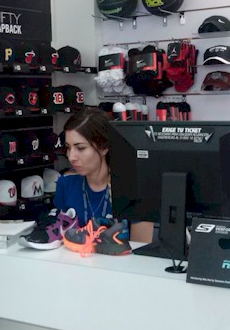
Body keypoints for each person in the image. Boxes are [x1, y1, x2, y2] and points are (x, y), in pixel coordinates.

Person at [53, 107, 154, 250]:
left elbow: (141, 250)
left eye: (80, 148)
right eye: (68, 148)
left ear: (104, 147)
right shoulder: (66, 184)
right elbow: (58, 239)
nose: (71, 157)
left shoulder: (135, 189)